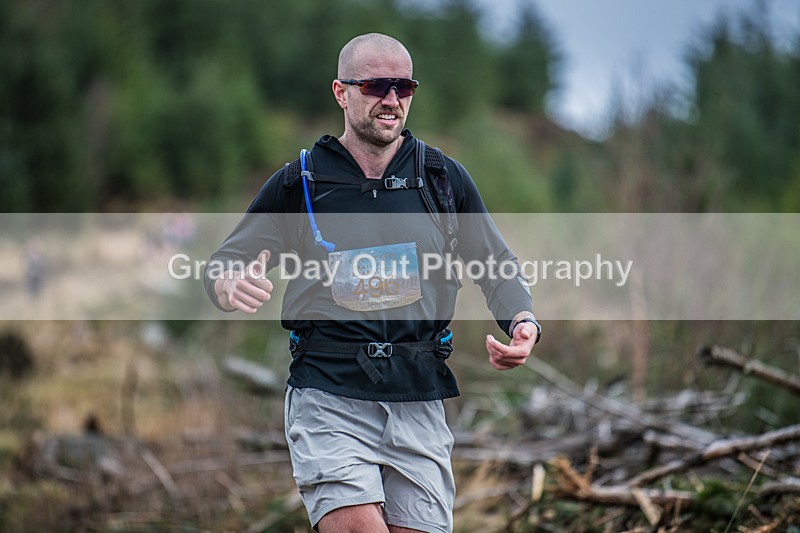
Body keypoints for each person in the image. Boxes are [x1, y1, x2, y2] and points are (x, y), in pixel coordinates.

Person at [205, 33, 540, 533]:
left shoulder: (441, 179)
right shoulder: (301, 182)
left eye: (403, 86)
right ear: (341, 93)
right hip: (329, 394)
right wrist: (228, 284)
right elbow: (224, 262)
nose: (391, 99)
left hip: (420, 394)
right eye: (376, 85)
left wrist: (523, 321)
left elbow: (495, 263)